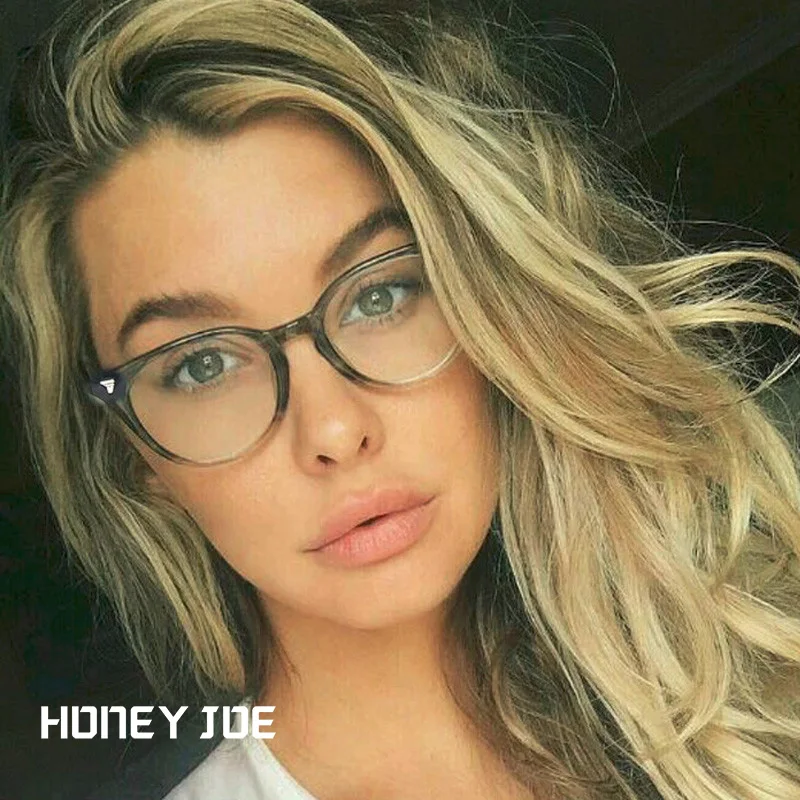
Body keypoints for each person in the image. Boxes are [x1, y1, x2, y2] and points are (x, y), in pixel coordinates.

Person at [2, 0, 800, 797]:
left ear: (487, 299)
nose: (334, 428)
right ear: (136, 453)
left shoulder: (752, 669)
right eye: (203, 364)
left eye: (378, 296)